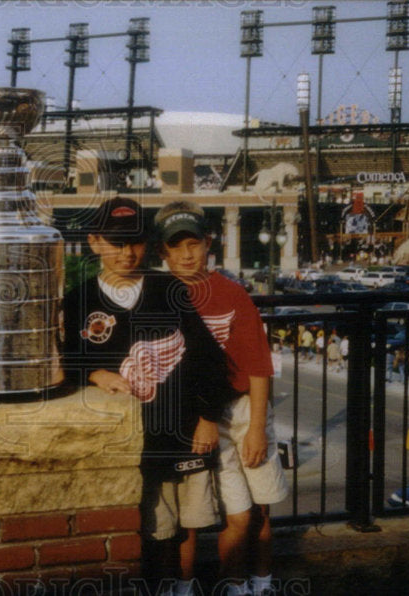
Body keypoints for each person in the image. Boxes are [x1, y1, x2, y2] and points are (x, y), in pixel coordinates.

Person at [61, 197, 229, 596]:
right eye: (115, 242)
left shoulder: (168, 288)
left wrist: (207, 417)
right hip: (122, 445)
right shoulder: (79, 299)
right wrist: (94, 372)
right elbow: (62, 359)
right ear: (94, 242)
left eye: (135, 242)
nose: (126, 253)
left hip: (179, 431)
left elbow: (207, 357)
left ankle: (184, 589)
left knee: (183, 527)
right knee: (147, 525)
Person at [154, 201, 288, 596]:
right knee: (216, 513)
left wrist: (258, 428)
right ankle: (224, 584)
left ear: (208, 243)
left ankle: (258, 584)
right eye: (175, 247)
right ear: (163, 252)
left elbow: (259, 366)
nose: (186, 254)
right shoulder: (159, 297)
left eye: (193, 243)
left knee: (260, 506)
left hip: (244, 410)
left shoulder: (232, 294)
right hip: (195, 416)